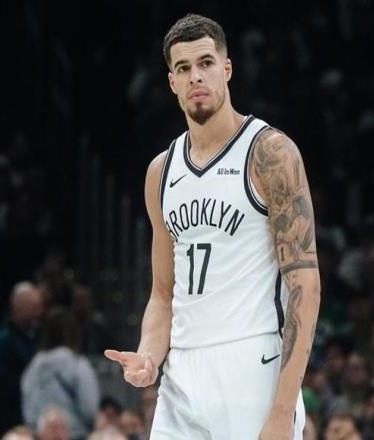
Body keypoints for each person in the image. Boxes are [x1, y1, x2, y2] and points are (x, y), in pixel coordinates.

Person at [105, 13, 320, 440]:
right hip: (182, 377)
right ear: (172, 82)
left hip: (253, 365)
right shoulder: (160, 172)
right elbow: (163, 293)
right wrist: (149, 355)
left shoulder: (270, 153)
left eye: (205, 63)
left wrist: (282, 410)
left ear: (227, 68)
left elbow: (306, 285)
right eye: (183, 68)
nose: (196, 76)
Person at [21, 307, 100, 440]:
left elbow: (28, 407)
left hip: (41, 434)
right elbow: (89, 408)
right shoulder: (78, 364)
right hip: (74, 434)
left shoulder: (34, 366)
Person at [0, 281, 44, 437]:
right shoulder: (3, 339)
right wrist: (30, 381)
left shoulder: (36, 335)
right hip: (11, 420)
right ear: (18, 306)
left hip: (32, 415)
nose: (38, 312)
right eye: (33, 307)